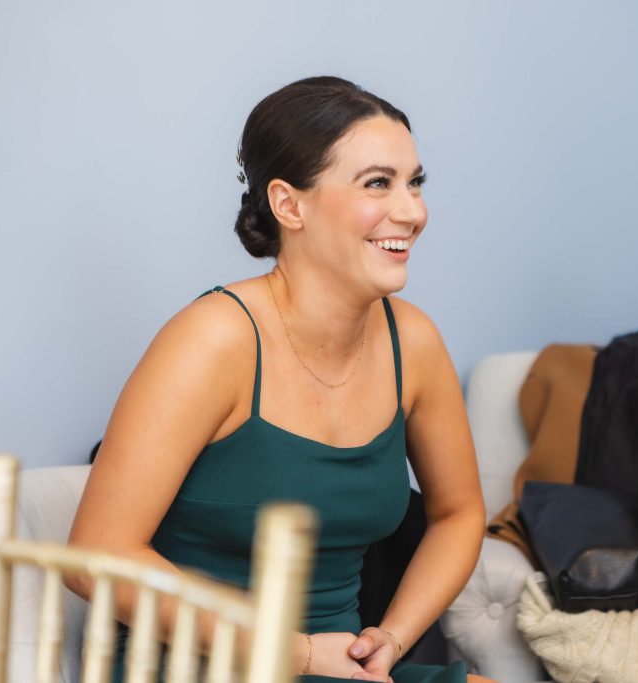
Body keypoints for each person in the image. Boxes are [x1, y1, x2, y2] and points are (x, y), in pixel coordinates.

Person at [67, 76, 493, 683]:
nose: (413, 211)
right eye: (378, 183)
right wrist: (293, 652)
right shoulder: (213, 339)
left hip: (337, 667)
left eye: (415, 183)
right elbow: (94, 559)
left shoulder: (414, 341)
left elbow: (459, 513)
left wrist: (391, 639)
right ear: (289, 205)